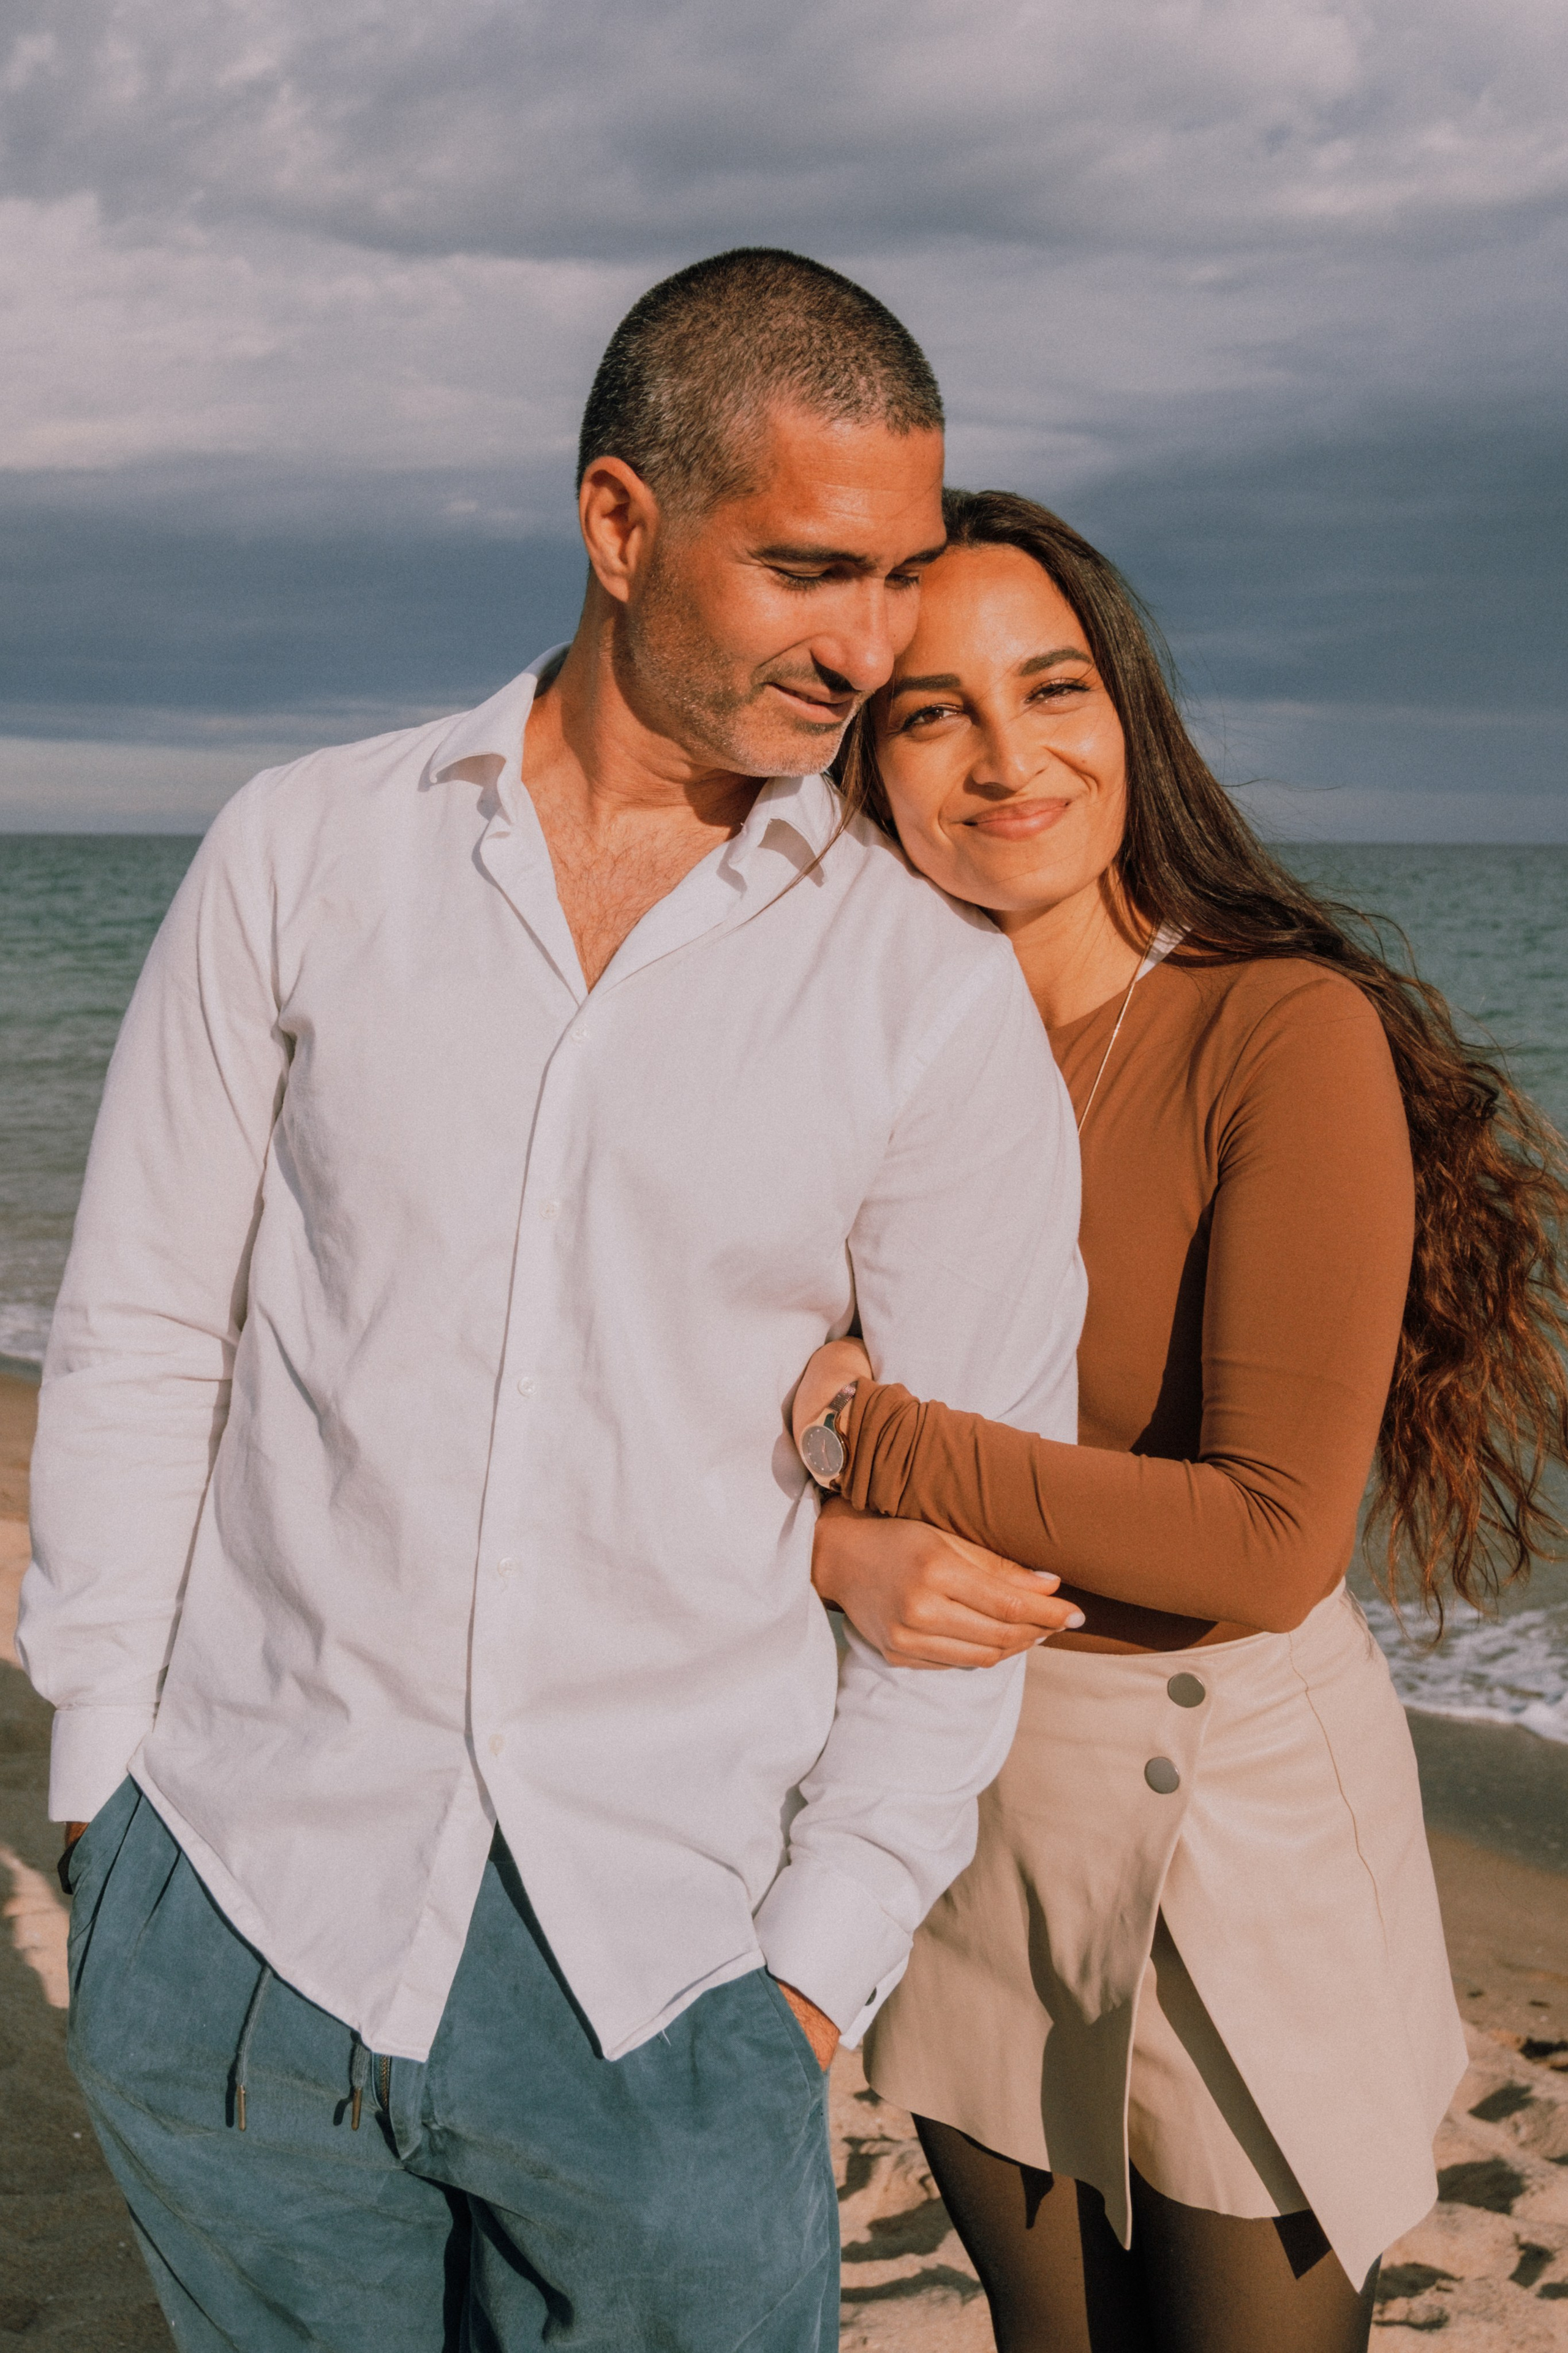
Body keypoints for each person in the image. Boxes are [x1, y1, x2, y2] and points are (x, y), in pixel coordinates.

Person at [17, 264, 1090, 2352]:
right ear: (621, 523)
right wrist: (106, 1798)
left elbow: (983, 1524)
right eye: (808, 568)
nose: (866, 646)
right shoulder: (302, 854)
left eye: (899, 577)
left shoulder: (924, 997)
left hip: (672, 1987)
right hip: (242, 1910)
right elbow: (150, 1323)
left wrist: (812, 1965)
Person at [791, 489, 1568, 2353]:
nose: (1007, 758)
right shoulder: (856, 1059)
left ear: (1126, 711)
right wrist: (830, 1534)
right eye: (932, 712)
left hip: (1233, 1825)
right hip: (964, 1800)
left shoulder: (1276, 1031)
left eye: (1052, 689)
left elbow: (1265, 1539)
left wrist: (862, 1442)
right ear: (867, 765)